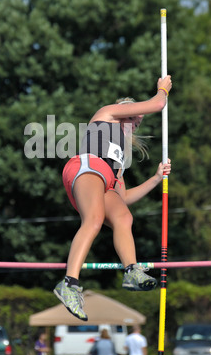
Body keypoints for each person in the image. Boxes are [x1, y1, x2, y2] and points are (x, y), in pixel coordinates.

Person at [54, 75, 172, 320]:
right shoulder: (107, 113)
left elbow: (122, 197)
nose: (136, 123)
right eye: (133, 116)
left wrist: (155, 179)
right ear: (123, 109)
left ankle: (131, 270)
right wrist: (163, 89)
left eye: (138, 123)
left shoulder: (119, 160)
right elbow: (158, 104)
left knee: (123, 217)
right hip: (86, 167)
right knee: (94, 220)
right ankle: (69, 283)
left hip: (103, 177)